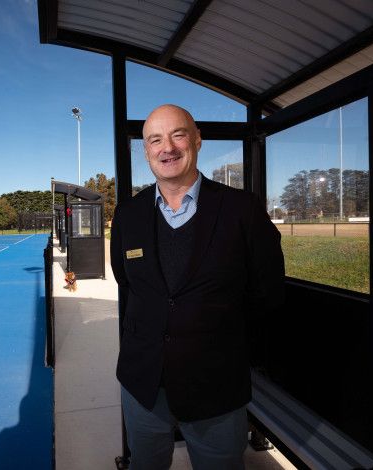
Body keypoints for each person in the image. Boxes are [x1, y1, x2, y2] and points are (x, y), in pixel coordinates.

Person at [110, 104, 285, 470]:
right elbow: (127, 284)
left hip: (216, 385)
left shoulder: (243, 210)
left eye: (178, 134)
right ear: (146, 151)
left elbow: (267, 293)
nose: (166, 148)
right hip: (143, 382)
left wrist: (226, 347)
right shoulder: (128, 214)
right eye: (155, 139)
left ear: (197, 140)